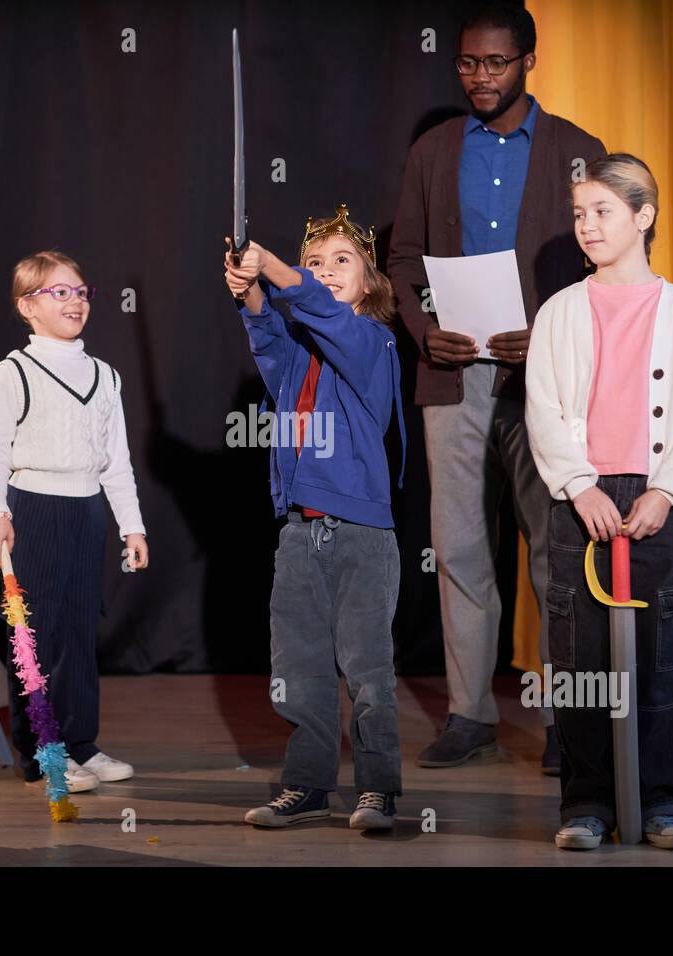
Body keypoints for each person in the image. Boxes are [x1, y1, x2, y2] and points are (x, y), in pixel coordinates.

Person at [387, 2, 606, 773]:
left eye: (496, 64)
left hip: (543, 379)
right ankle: (470, 714)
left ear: (528, 61)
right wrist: (422, 332)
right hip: (453, 375)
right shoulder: (433, 150)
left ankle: (567, 725)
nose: (480, 77)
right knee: (459, 549)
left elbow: (603, 268)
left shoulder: (579, 151)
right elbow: (402, 262)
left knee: (556, 551)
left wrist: (548, 328)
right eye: (468, 64)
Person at [524, 153, 673, 850]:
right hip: (583, 501)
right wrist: (579, 486)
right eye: (579, 214)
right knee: (580, 659)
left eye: (603, 211)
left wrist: (665, 491)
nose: (587, 226)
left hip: (656, 502)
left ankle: (661, 803)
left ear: (644, 216)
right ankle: (586, 805)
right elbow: (543, 408)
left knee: (662, 653)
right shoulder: (559, 312)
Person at [223, 206, 406, 830]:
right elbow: (273, 349)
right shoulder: (303, 348)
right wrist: (252, 296)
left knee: (368, 672)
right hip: (300, 529)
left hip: (360, 533)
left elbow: (323, 314)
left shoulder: (373, 341)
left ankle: (377, 788)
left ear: (370, 282)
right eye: (316, 262)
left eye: (341, 262)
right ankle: (306, 785)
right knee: (297, 670)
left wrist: (274, 268)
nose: (326, 273)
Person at [0, 251, 149, 794]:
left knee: (78, 633)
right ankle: (41, 753)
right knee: (36, 633)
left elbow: (116, 460)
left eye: (81, 291)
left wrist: (132, 526)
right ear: (27, 306)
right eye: (60, 292)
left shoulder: (105, 376)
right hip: (34, 511)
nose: (75, 300)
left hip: (86, 512)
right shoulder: (15, 370)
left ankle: (80, 744)